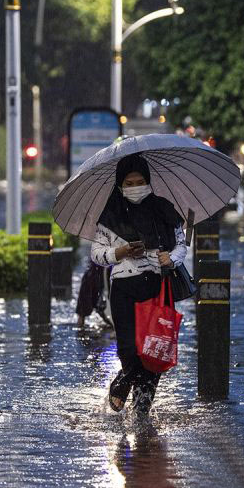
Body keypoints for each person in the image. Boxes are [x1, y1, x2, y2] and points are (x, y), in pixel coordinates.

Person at [91, 153, 187, 416]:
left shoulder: (165, 209)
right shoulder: (111, 215)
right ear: (120, 185)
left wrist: (171, 258)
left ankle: (142, 406)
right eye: (129, 183)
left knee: (154, 348)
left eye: (140, 181)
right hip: (124, 288)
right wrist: (119, 252)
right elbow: (96, 254)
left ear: (149, 181)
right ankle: (123, 381)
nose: (135, 187)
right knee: (130, 349)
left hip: (158, 286)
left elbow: (181, 245)